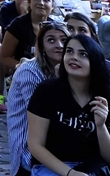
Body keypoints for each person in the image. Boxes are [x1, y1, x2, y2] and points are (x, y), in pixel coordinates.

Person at [26, 34, 110, 176]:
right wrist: (70, 173)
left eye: (83, 54)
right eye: (69, 51)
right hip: (55, 166)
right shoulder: (47, 91)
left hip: (97, 167)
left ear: (95, 62)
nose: (74, 57)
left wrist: (100, 126)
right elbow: (35, 145)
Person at [8, 22, 68, 176]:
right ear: (41, 46)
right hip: (27, 146)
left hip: (55, 140)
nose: (59, 45)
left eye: (64, 39)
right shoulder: (30, 72)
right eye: (51, 40)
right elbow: (43, 115)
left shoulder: (69, 68)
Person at [3, 0, 61, 88]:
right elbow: (4, 57)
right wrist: (24, 67)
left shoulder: (56, 28)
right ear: (29, 3)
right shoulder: (18, 25)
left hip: (50, 76)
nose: (41, 3)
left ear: (52, 5)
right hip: (24, 75)